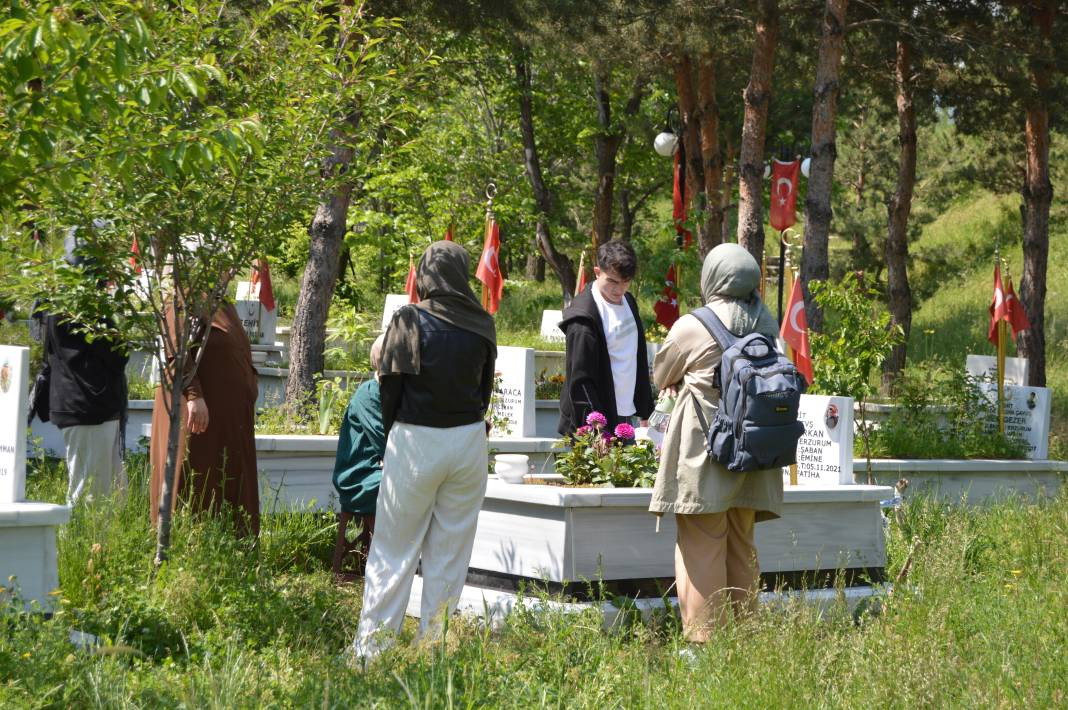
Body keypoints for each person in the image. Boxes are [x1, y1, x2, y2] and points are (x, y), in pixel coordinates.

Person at [351, 240, 496, 662]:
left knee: (394, 549)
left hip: (416, 440)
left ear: (427, 275)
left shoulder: (409, 318)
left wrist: (393, 437)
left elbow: (390, 388)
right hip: (468, 442)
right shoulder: (482, 322)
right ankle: (434, 648)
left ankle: (371, 652)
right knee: (451, 553)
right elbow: (484, 391)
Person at [649, 243, 784, 642]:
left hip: (706, 453)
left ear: (713, 278)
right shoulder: (767, 323)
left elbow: (661, 373)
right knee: (742, 544)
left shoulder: (694, 325)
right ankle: (743, 636)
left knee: (702, 543)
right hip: (755, 452)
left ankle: (703, 641)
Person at [32, 230, 129, 504]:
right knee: (90, 496)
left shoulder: (62, 295)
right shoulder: (79, 301)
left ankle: (97, 535)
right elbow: (116, 354)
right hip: (88, 405)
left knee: (111, 495)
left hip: (88, 405)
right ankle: (77, 533)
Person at [149, 301, 260, 537]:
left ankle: (228, 546)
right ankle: (188, 544)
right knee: (195, 482)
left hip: (226, 419)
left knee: (224, 483)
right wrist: (194, 394)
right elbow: (176, 348)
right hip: (197, 415)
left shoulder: (220, 299)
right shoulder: (185, 293)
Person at [557, 239, 654, 436]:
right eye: (612, 281)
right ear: (597, 272)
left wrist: (646, 409)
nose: (619, 289)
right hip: (593, 420)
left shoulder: (628, 301)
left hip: (626, 412)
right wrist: (597, 429)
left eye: (625, 282)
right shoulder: (583, 317)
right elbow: (580, 380)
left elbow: (637, 355)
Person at [330, 337, 387, 578]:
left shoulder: (387, 392)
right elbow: (387, 442)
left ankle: (398, 567)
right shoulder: (369, 393)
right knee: (408, 487)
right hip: (358, 477)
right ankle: (390, 568)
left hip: (378, 470)